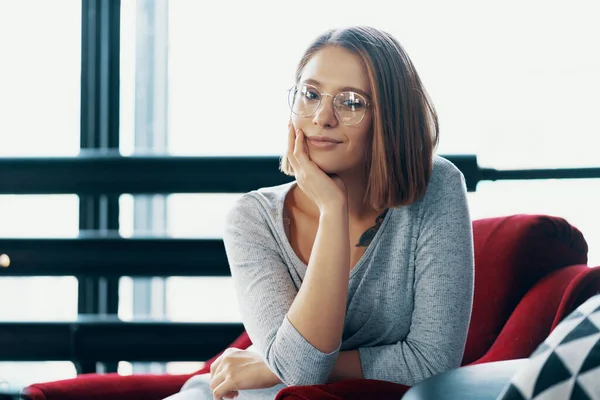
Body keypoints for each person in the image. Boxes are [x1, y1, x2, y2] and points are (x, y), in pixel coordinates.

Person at [165, 25, 474, 400]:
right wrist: (332, 208)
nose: (322, 117)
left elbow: (432, 364)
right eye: (310, 95)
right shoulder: (252, 219)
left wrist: (270, 365)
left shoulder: (436, 187)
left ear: (390, 119)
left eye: (351, 102)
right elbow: (298, 372)